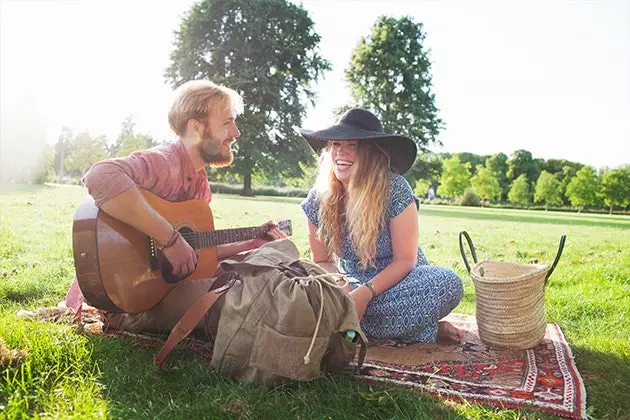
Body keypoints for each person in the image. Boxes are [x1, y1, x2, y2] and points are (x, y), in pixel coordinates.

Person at [65, 80, 286, 333]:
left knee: (251, 272)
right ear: (196, 128)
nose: (236, 133)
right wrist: (169, 239)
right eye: (227, 123)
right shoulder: (163, 163)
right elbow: (100, 176)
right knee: (237, 294)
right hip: (126, 299)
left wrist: (251, 242)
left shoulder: (199, 183)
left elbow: (196, 249)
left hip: (159, 290)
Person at [299, 108, 464, 343]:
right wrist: (345, 290)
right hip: (348, 283)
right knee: (304, 290)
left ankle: (350, 325)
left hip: (402, 281)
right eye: (335, 144)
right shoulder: (318, 198)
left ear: (372, 153)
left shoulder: (395, 189)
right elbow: (322, 261)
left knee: (447, 282)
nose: (340, 152)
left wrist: (365, 296)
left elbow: (405, 261)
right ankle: (423, 329)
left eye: (352, 145)